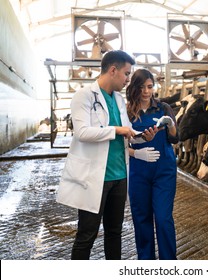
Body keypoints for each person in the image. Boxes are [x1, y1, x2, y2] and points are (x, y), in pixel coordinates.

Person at [56, 50, 157, 260]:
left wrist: (142, 136)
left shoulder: (119, 99)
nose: (128, 79)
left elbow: (127, 129)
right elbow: (82, 133)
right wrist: (117, 130)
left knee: (115, 233)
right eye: (127, 74)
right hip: (95, 177)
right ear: (113, 70)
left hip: (119, 175)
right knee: (87, 234)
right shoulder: (83, 95)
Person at [126, 68, 179, 260]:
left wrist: (170, 125)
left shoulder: (164, 108)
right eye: (141, 87)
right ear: (134, 88)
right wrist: (136, 153)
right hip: (139, 172)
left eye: (149, 87)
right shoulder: (127, 111)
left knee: (164, 219)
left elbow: (175, 139)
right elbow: (120, 144)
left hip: (164, 171)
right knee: (142, 220)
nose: (146, 91)